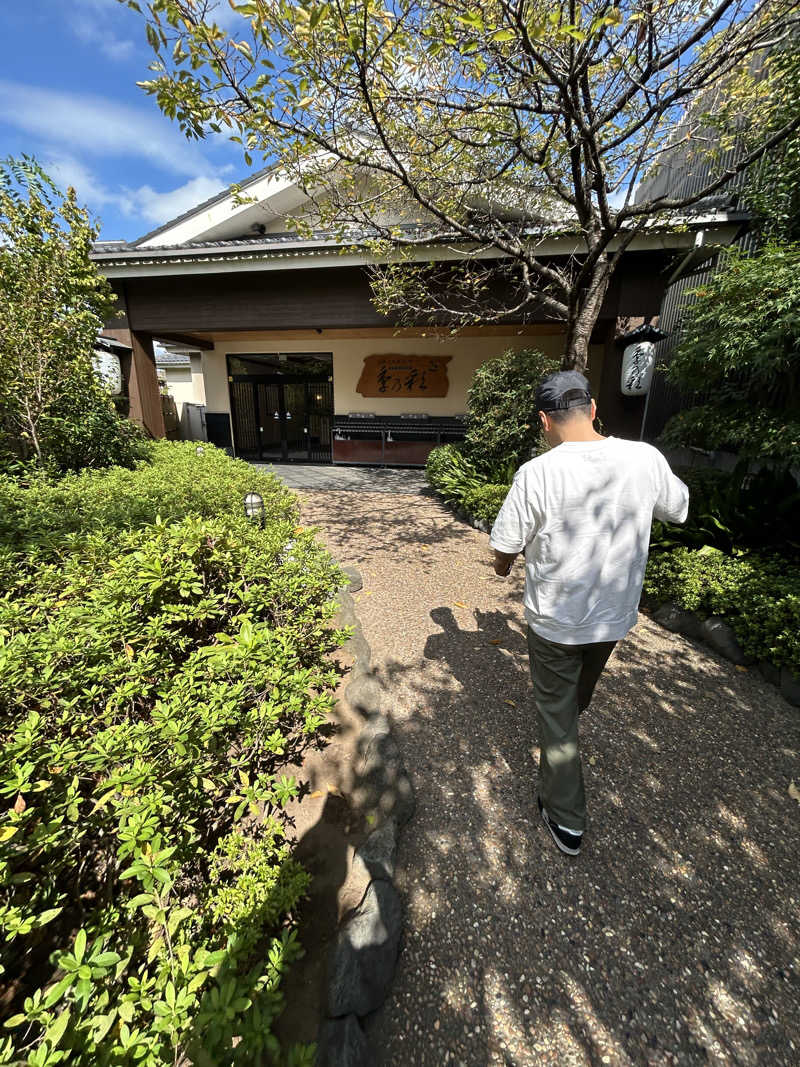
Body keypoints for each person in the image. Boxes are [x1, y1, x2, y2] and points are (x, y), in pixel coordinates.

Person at [489, 370, 689, 856]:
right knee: (571, 702)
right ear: (594, 409)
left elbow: (501, 554)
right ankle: (560, 761)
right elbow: (678, 508)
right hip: (613, 616)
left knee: (558, 716)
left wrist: (511, 560)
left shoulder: (537, 473)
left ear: (544, 421)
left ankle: (566, 819)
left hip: (556, 619)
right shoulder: (644, 458)